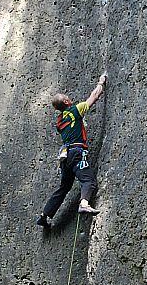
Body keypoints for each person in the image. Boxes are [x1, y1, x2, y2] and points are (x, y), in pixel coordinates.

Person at [38, 72, 108, 227]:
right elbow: (94, 96)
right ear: (66, 101)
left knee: (64, 187)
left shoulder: (59, 121)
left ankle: (45, 215)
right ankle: (84, 203)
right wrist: (101, 82)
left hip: (65, 158)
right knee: (88, 180)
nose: (69, 97)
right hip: (77, 152)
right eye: (67, 97)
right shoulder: (75, 110)